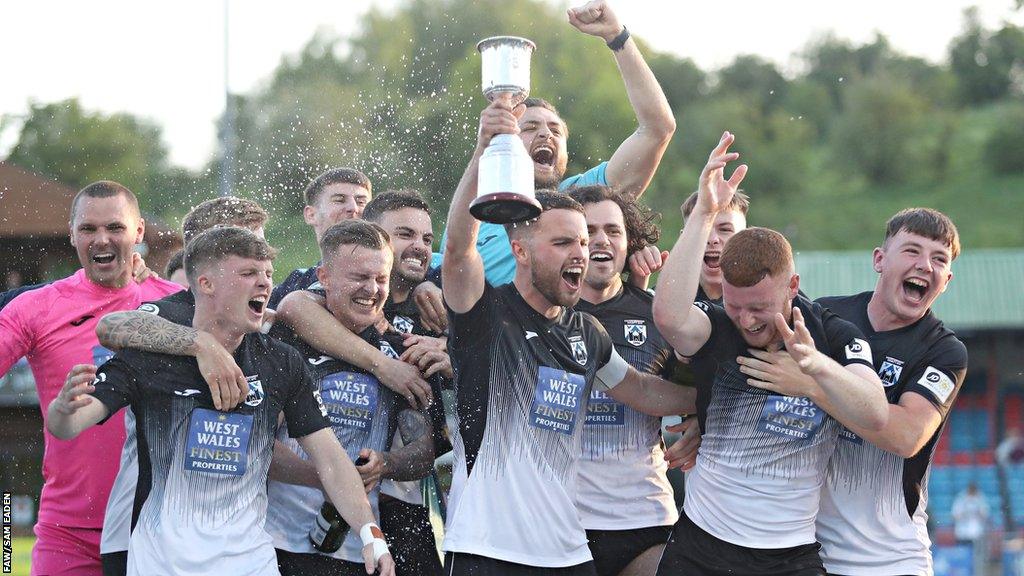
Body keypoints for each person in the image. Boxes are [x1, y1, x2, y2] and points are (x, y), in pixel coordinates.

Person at [46, 226, 394, 576]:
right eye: (248, 274)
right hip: (162, 562)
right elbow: (68, 425)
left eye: (267, 275)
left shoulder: (281, 361)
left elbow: (332, 460)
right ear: (205, 283)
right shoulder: (153, 356)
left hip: (251, 562)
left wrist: (371, 533)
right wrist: (62, 410)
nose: (264, 284)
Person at [440, 99, 693, 576]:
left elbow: (640, 390)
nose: (583, 252)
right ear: (520, 249)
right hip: (489, 550)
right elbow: (458, 248)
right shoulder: (485, 316)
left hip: (567, 552)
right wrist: (483, 152)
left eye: (583, 242)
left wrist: (711, 398)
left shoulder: (586, 332)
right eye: (562, 243)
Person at [651, 132, 888, 576]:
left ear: (792, 286)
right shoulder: (719, 322)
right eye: (736, 306)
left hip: (789, 554)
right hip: (702, 545)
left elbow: (876, 414)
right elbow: (668, 317)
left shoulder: (831, 333)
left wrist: (813, 372)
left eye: (758, 308)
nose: (747, 321)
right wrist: (703, 211)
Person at [736, 207, 968, 575]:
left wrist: (812, 386)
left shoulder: (943, 351)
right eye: (912, 251)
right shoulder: (825, 316)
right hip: (802, 552)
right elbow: (752, 374)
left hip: (888, 557)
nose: (925, 265)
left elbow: (906, 436)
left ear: (947, 279)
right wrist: (698, 421)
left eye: (939, 259)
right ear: (880, 259)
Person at [0, 181, 181, 575]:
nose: (102, 239)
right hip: (69, 531)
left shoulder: (177, 305)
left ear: (138, 232)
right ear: (72, 235)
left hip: (158, 526)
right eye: (88, 229)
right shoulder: (37, 307)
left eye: (115, 227)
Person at [435, 0, 676, 286]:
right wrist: (426, 285)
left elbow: (657, 129)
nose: (546, 135)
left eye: (555, 130)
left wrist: (617, 36)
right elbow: (445, 266)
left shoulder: (582, 198)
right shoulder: (477, 213)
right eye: (530, 127)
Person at [93, 195, 269, 576]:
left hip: (232, 542)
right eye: (243, 246)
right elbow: (111, 327)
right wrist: (200, 343)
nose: (259, 259)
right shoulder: (170, 312)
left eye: (261, 247)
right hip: (142, 531)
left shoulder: (264, 325)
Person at [266, 221, 435, 576]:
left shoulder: (400, 355)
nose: (372, 290)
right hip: (274, 544)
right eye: (359, 277)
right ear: (323, 277)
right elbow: (259, 448)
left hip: (359, 551)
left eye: (381, 279)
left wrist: (386, 463)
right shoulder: (286, 340)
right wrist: (330, 477)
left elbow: (424, 453)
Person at [567, 185, 689, 576]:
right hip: (559, 523)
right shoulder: (543, 315)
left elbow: (706, 390)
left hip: (645, 519)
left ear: (630, 242)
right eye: (589, 232)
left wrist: (701, 418)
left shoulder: (661, 316)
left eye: (613, 231)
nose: (602, 240)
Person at [268, 167, 372, 309]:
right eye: (339, 200)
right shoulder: (297, 282)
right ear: (311, 215)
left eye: (361, 202)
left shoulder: (393, 278)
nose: (353, 208)